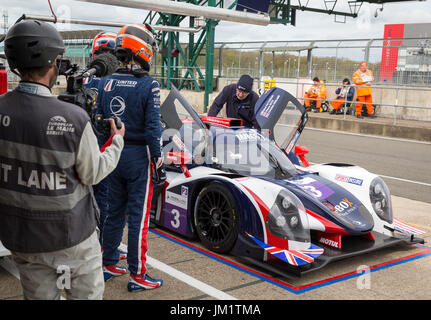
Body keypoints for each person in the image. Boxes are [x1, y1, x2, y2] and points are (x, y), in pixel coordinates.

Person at [0, 19, 125, 300]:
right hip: (70, 240)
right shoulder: (74, 118)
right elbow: (93, 173)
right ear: (52, 63)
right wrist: (117, 142)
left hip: (21, 239)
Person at [97, 24, 165, 292]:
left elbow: (102, 120)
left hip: (113, 152)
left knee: (113, 211)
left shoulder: (106, 81)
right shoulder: (150, 85)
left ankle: (108, 262)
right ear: (142, 50)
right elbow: (153, 128)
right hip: (139, 156)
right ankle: (138, 274)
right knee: (138, 218)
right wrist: (158, 158)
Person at [83, 31, 128, 260]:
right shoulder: (112, 82)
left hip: (83, 144)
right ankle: (104, 245)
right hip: (105, 144)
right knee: (107, 198)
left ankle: (97, 242)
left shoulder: (84, 78)